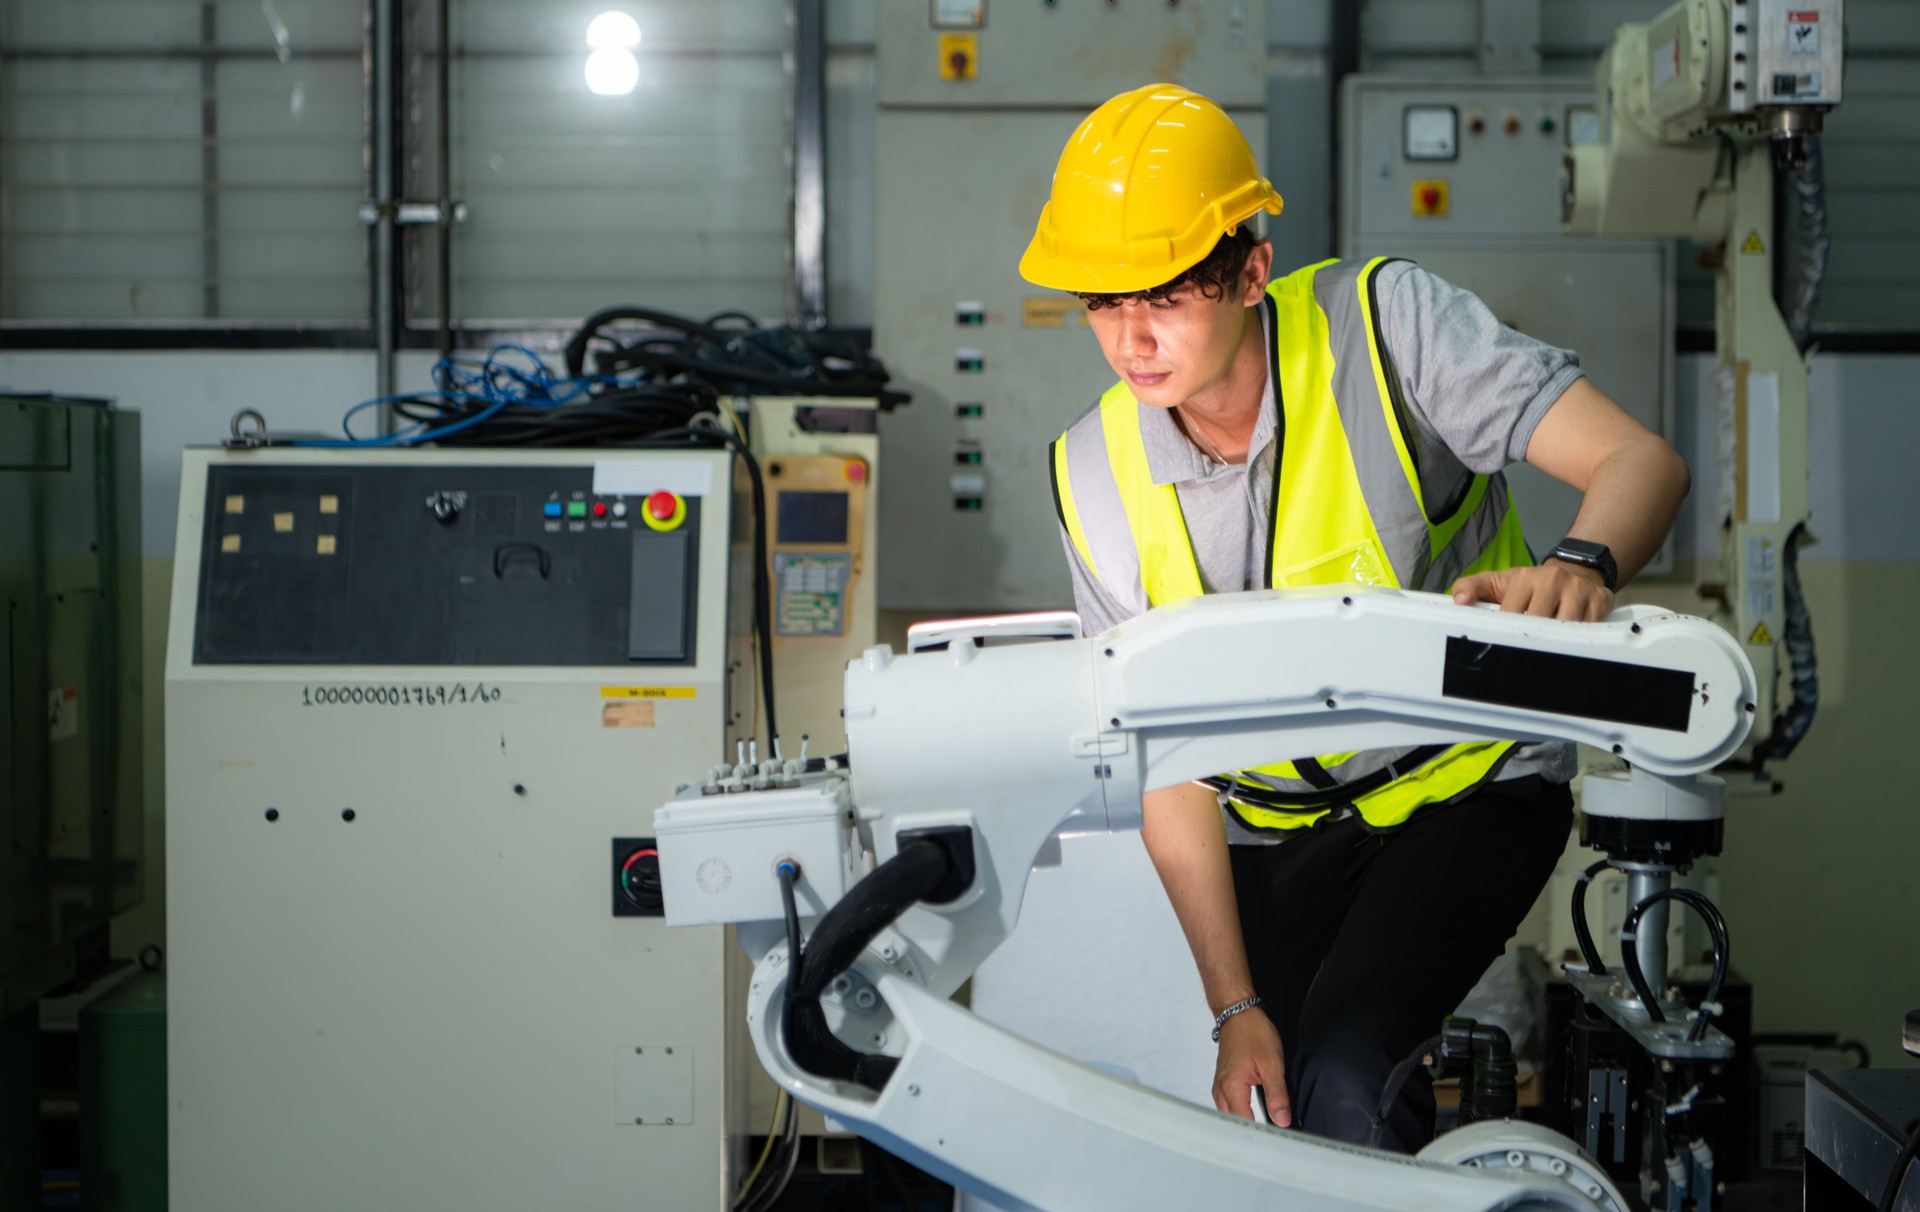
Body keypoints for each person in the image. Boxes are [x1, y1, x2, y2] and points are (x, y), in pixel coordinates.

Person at [1020, 83, 1690, 1152]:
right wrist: (1235, 1011)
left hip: (1466, 781)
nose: (1133, 338)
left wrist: (1580, 562)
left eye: (1168, 294)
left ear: (1253, 268)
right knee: (1252, 1107)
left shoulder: (1386, 332)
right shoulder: (1092, 471)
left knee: (1343, 1064)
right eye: (1104, 301)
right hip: (1276, 824)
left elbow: (1640, 461)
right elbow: (1169, 768)